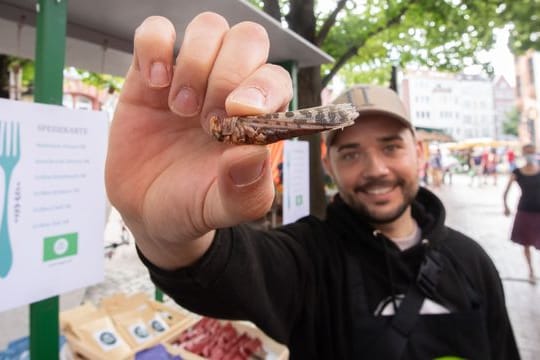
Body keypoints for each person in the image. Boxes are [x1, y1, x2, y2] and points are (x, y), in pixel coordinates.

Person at [105, 13, 520, 359]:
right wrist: (163, 235)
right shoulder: (308, 257)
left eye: (391, 147)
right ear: (329, 165)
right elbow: (226, 271)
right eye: (351, 153)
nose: (375, 169)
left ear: (420, 154)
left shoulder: (472, 262)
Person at [503, 144, 540, 284]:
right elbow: (506, 191)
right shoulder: (517, 172)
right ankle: (531, 271)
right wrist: (505, 205)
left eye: (532, 151)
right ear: (523, 154)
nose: (530, 154)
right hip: (525, 210)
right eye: (527, 152)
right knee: (526, 243)